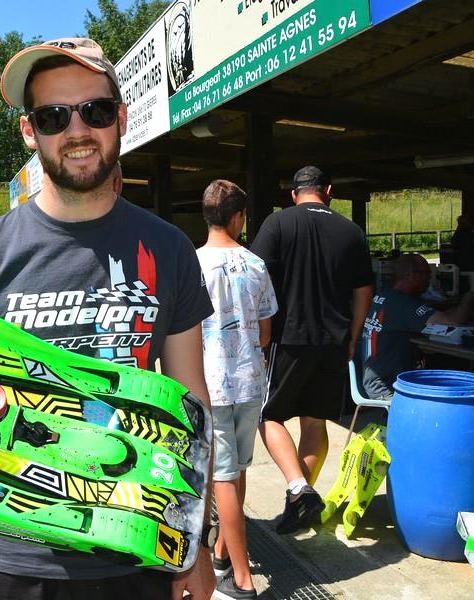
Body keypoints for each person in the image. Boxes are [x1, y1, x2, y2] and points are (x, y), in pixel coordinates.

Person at [0, 37, 216, 600]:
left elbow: (193, 402)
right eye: (53, 116)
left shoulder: (168, 249)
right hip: (9, 557)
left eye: (96, 110)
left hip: (134, 548)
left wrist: (195, 538)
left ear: (121, 118)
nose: (77, 130)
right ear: (29, 131)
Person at [250, 166, 374, 534]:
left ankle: (299, 489)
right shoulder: (351, 231)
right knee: (314, 421)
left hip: (289, 338)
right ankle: (299, 502)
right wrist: (353, 335)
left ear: (293, 193)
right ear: (329, 191)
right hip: (333, 340)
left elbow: (257, 279)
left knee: (267, 415)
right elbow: (363, 292)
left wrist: (262, 336)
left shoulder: (278, 225)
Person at [196, 180, 277, 600]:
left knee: (222, 477)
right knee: (238, 470)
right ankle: (227, 556)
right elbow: (265, 333)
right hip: (249, 380)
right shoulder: (256, 265)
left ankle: (241, 579)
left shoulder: (192, 265)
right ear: (237, 217)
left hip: (209, 383)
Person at [362, 253, 474, 400]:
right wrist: (470, 296)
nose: (430, 279)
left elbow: (436, 316)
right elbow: (454, 322)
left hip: (375, 379)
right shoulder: (404, 304)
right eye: (428, 274)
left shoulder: (385, 296)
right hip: (388, 387)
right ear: (413, 276)